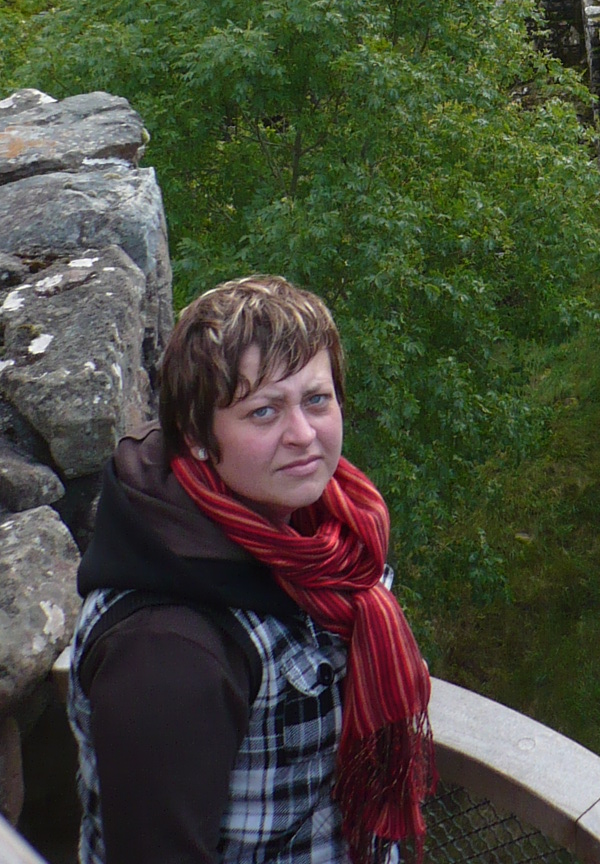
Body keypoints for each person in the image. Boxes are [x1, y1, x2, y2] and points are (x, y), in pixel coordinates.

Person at [67, 275, 435, 864]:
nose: (303, 435)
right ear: (196, 435)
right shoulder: (167, 649)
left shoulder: (324, 532)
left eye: (317, 400)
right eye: (264, 412)